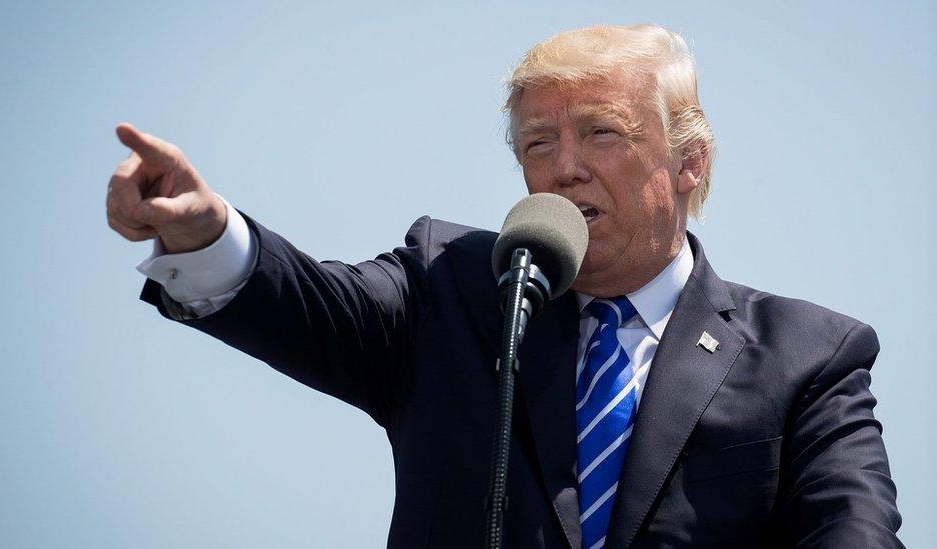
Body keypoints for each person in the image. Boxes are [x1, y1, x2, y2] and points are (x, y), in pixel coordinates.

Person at [107, 24, 902, 548]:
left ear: (688, 161)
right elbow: (313, 307)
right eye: (538, 141)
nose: (563, 166)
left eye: (600, 132)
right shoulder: (453, 283)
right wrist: (206, 233)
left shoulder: (809, 355)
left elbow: (853, 530)